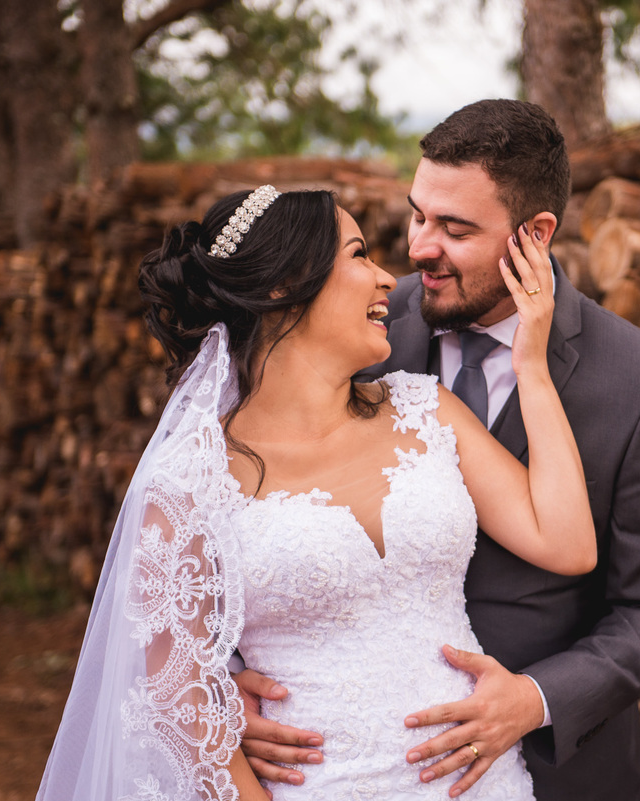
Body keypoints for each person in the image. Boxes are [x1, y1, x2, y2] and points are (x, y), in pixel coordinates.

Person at [36, 185, 599, 801]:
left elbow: (567, 543)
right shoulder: (190, 482)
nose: (388, 277)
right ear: (284, 285)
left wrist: (533, 368)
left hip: (485, 786)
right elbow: (176, 698)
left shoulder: (425, 410)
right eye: (358, 255)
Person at [237, 100, 640, 800]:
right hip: (333, 766)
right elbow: (233, 513)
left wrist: (536, 697)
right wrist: (221, 684)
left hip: (557, 777)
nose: (421, 246)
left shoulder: (639, 380)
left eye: (454, 228)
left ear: (535, 233)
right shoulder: (351, 327)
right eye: (418, 214)